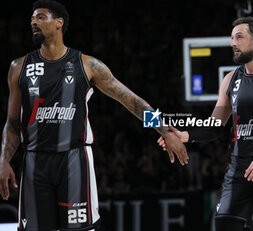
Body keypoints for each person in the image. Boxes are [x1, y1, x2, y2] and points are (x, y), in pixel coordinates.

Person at [0, 0, 188, 230]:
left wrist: (165, 130)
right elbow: (12, 123)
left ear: (59, 23)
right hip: (34, 162)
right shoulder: (19, 67)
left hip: (73, 160)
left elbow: (131, 101)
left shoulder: (87, 65)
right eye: (32, 18)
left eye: (40, 17)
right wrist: (4, 159)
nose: (33, 22)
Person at [158, 16, 253, 230]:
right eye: (232, 38)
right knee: (223, 223)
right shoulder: (230, 80)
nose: (233, 43)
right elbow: (214, 126)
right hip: (238, 167)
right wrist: (185, 136)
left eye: (239, 37)